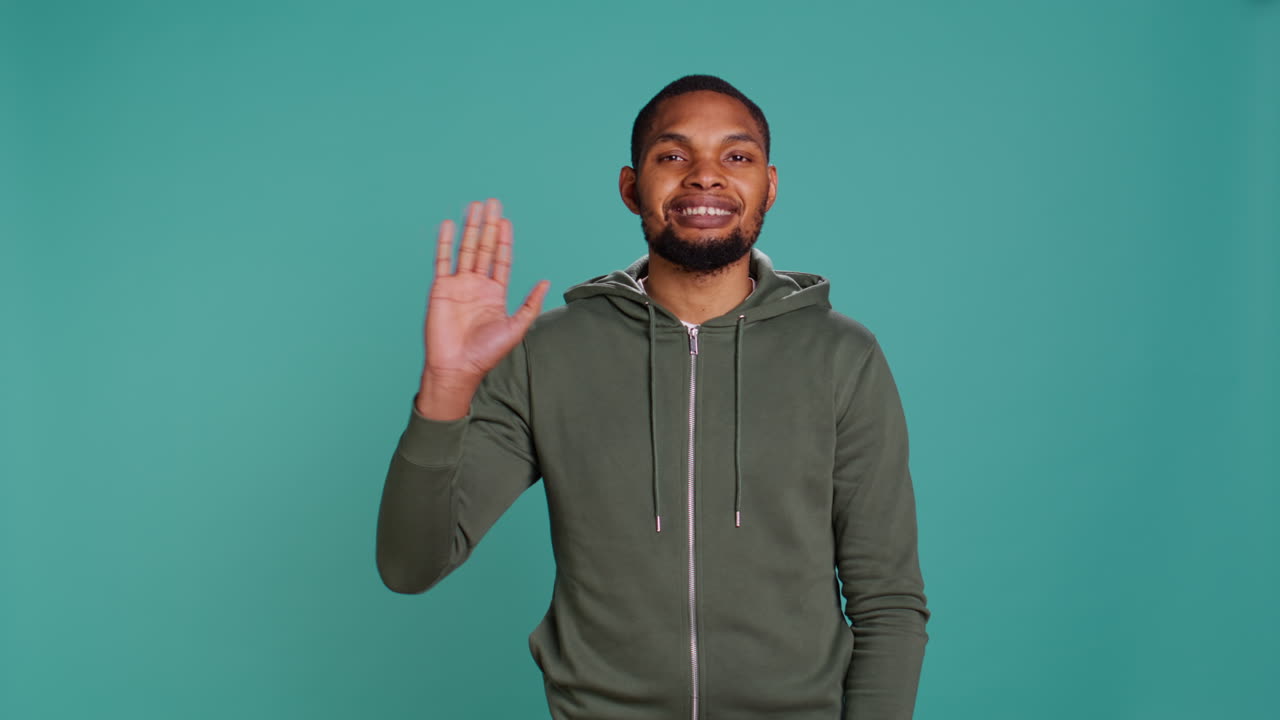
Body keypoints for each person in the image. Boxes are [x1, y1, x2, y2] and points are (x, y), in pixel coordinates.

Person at [376, 74, 930, 720]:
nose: (704, 176)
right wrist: (446, 389)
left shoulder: (841, 355)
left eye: (736, 156)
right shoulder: (547, 354)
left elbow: (887, 600)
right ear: (630, 187)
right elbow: (410, 565)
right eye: (672, 156)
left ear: (769, 186)